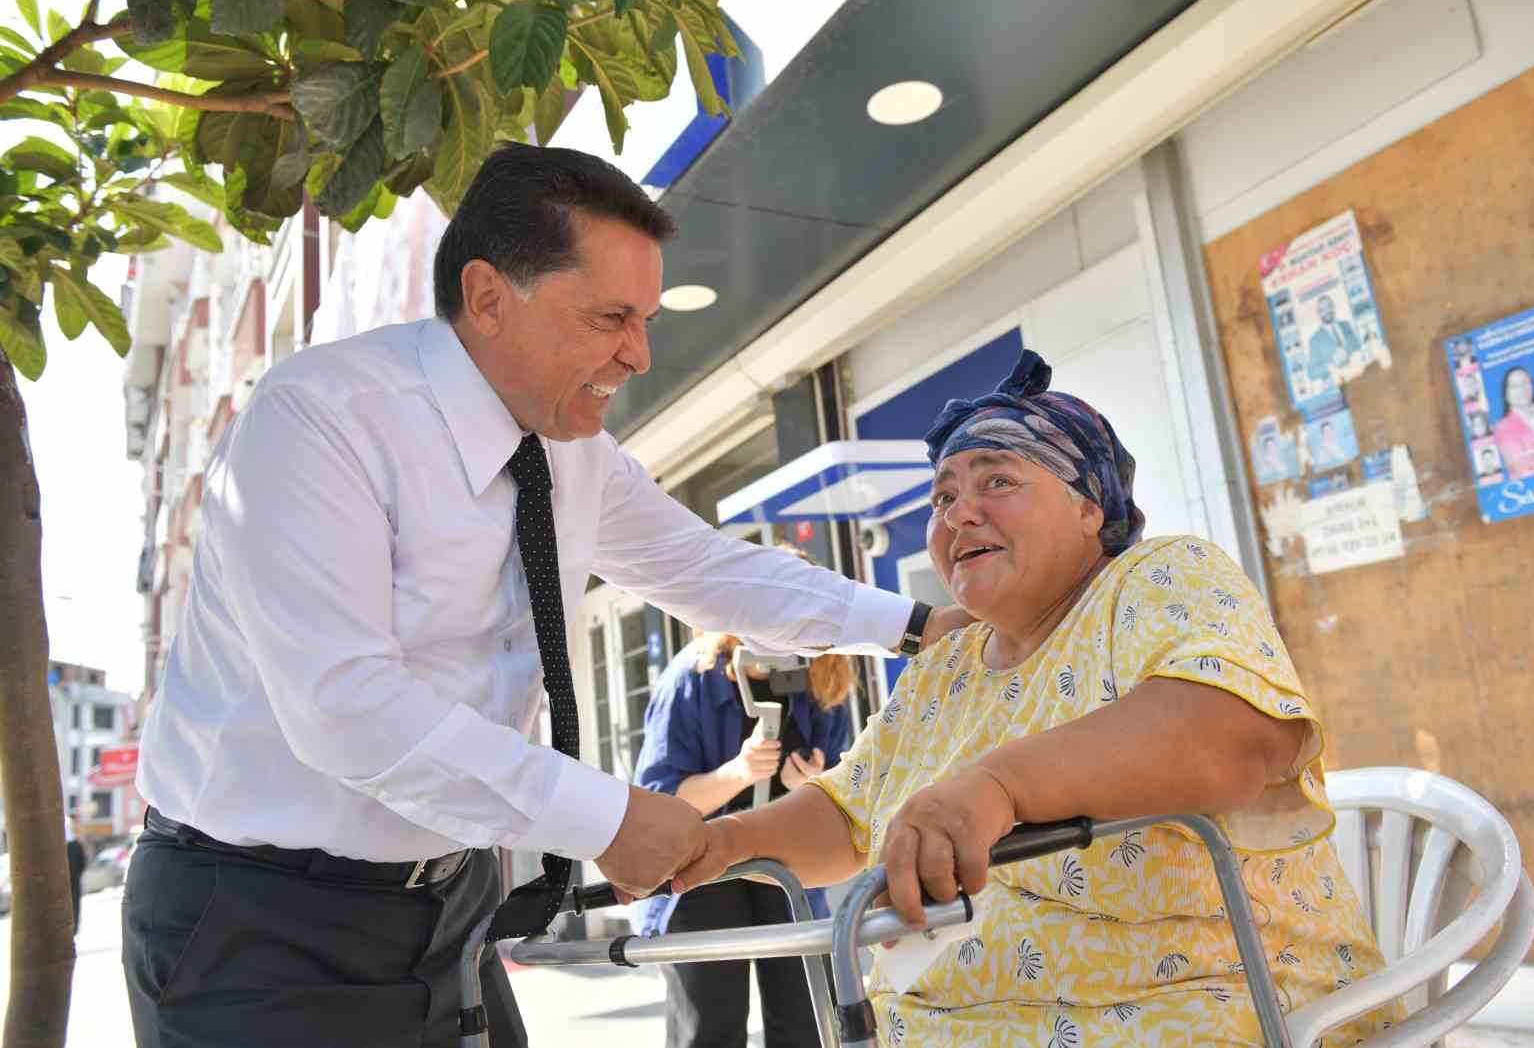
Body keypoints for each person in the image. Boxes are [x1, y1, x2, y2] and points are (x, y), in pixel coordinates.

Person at [122, 144, 969, 1048]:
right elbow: (345, 710)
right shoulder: (321, 417)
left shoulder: (573, 453)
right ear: (488, 297)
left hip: (451, 905)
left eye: (642, 318)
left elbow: (711, 571)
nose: (638, 354)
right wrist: (604, 817)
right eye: (610, 317)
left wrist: (919, 627)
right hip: (260, 926)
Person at [672, 350, 1399, 1046]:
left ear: (1090, 506)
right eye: (944, 495)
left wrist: (998, 787)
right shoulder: (943, 664)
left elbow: (1235, 737)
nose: (959, 513)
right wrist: (721, 842)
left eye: (997, 482)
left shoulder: (1156, 578)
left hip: (1200, 1010)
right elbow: (847, 810)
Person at [633, 543, 856, 1048]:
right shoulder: (692, 678)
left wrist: (813, 791)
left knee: (806, 1023)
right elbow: (658, 802)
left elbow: (845, 791)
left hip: (786, 865)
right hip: (699, 867)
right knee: (710, 1027)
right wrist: (736, 773)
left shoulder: (825, 672)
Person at [1305, 295, 1361, 384]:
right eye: (1322, 309)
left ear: (1333, 307)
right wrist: (1332, 364)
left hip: (1358, 376)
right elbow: (1312, 372)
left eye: (1328, 306)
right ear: (1318, 313)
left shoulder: (1346, 325)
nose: (1327, 311)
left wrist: (1346, 351)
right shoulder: (1315, 340)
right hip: (1338, 385)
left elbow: (1357, 343)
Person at [64, 815, 85, 934]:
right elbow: (82, 863)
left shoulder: (57, 847)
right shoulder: (76, 845)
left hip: (65, 883)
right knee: (74, 905)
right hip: (74, 881)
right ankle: (74, 929)